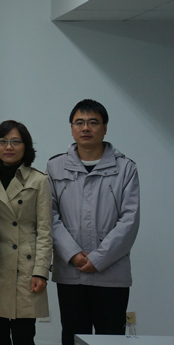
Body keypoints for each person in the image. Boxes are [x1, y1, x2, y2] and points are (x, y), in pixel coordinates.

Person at [47, 99, 140, 345]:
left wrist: (99, 259)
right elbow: (49, 216)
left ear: (105, 128)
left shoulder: (125, 168)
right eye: (79, 122)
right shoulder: (55, 167)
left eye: (93, 122)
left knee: (111, 337)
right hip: (71, 271)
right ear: (71, 128)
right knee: (73, 335)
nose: (86, 128)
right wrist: (72, 253)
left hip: (112, 273)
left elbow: (129, 221)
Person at [0, 120, 52, 345]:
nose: (8, 147)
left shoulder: (39, 180)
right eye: (3, 141)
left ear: (25, 146)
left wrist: (41, 271)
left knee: (24, 337)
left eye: (15, 142)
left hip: (26, 268)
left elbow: (45, 231)